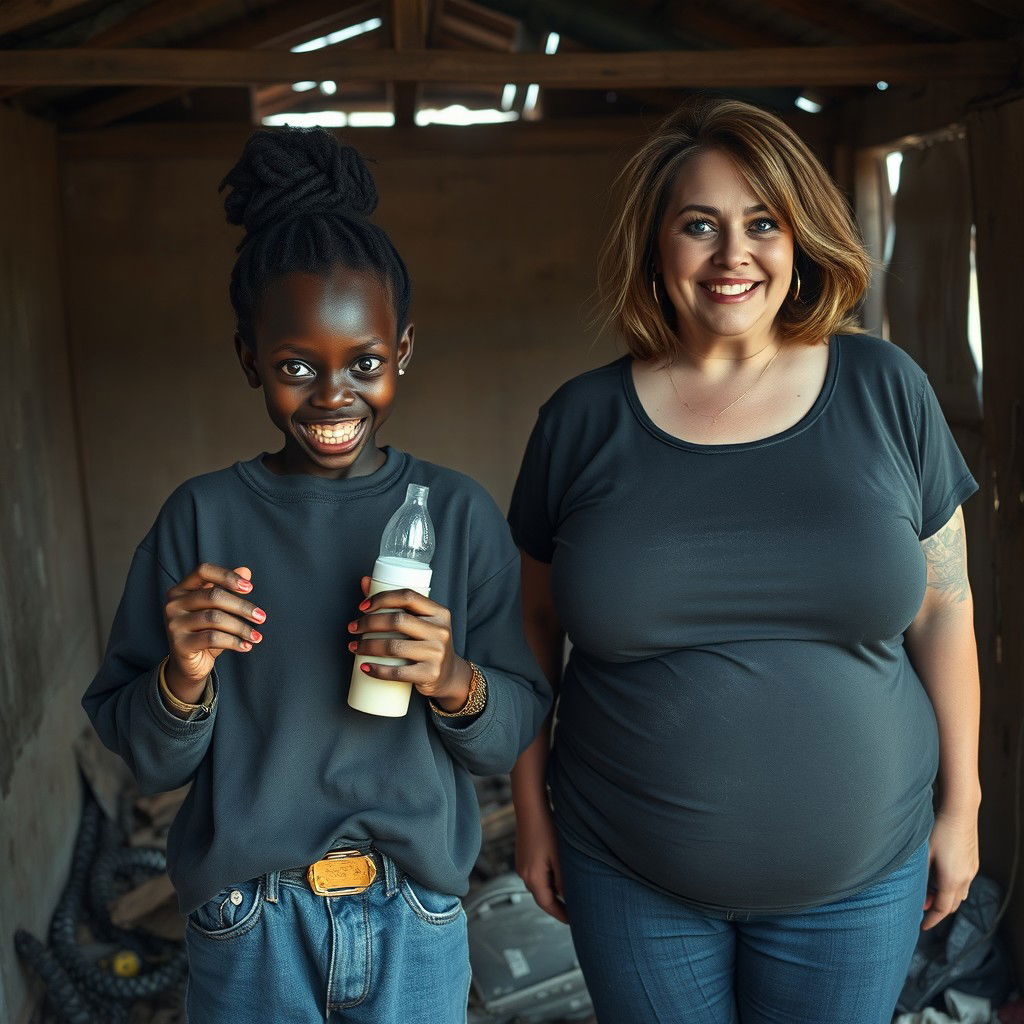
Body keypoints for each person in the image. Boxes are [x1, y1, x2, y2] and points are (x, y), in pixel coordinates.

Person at [508, 97, 981, 1024]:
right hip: (629, 875)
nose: (734, 255)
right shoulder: (581, 422)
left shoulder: (888, 390)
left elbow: (943, 609)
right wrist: (532, 815)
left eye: (763, 223)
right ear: (657, 247)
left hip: (862, 878)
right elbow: (532, 626)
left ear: (799, 238)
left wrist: (962, 808)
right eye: (700, 225)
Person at [82, 126, 550, 1024]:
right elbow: (146, 757)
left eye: (365, 364)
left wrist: (452, 682)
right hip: (249, 923)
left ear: (402, 352)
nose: (333, 397)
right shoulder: (203, 519)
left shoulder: (453, 514)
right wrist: (183, 676)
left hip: (416, 919)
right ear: (249, 358)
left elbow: (508, 734)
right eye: (297, 366)